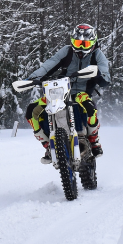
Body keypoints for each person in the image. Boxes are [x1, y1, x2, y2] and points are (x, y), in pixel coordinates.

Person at [24, 23, 111, 164]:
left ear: (93, 42)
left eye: (84, 43)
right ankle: (47, 145)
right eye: (77, 43)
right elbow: (48, 65)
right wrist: (32, 79)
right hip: (59, 92)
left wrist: (98, 74)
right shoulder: (67, 51)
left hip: (81, 93)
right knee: (31, 111)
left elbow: (106, 78)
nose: (81, 47)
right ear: (72, 41)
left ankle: (94, 141)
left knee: (91, 109)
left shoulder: (97, 55)